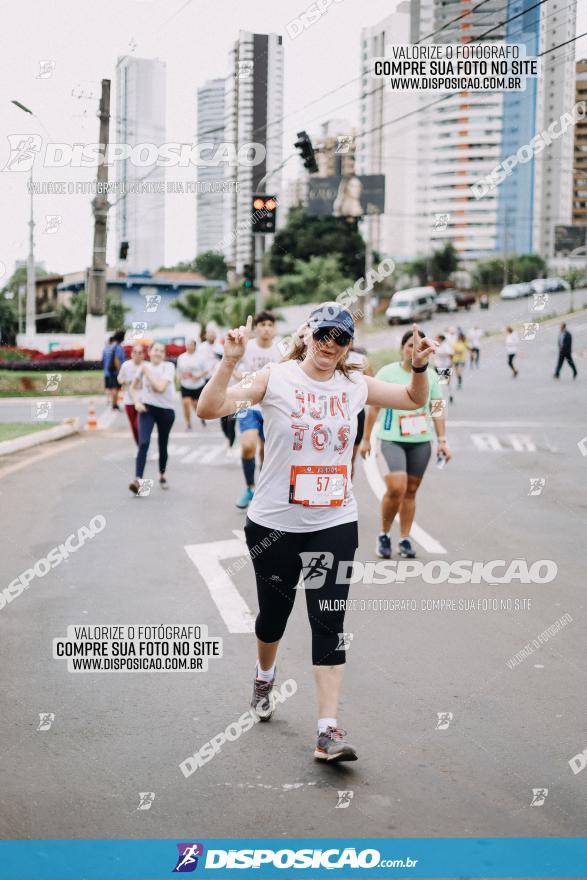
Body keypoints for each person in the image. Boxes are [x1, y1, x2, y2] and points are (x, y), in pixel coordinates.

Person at [197, 304, 437, 763]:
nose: (330, 344)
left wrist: (421, 367)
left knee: (329, 621)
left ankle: (328, 729)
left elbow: (412, 399)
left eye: (340, 337)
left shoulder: (355, 385)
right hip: (274, 524)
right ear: (307, 335)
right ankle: (264, 675)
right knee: (273, 617)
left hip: (333, 523)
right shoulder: (277, 378)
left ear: (349, 344)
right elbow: (212, 408)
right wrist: (229, 361)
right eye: (323, 334)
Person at [361, 329, 451, 561]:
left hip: (421, 441)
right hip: (391, 439)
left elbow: (437, 408)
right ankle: (383, 534)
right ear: (402, 348)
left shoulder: (430, 375)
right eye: (410, 345)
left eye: (419, 346)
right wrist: (365, 439)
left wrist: (442, 440)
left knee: (410, 492)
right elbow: (374, 409)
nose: (413, 350)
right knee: (397, 488)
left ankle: (404, 538)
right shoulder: (387, 373)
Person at [233, 311, 282, 510]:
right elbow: (232, 367)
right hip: (247, 403)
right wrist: (243, 378)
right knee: (247, 446)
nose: (266, 328)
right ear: (256, 328)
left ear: (274, 328)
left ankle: (262, 489)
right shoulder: (248, 346)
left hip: (271, 405)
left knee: (266, 452)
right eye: (262, 324)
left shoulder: (281, 347)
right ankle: (249, 487)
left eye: (270, 324)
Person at [128, 342, 176, 494]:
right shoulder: (144, 367)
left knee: (163, 443)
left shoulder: (168, 367)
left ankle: (162, 474)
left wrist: (146, 371)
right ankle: (137, 480)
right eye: (156, 350)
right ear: (149, 351)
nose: (158, 353)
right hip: (147, 408)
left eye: (162, 351)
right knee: (143, 443)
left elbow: (160, 388)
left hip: (166, 411)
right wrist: (136, 402)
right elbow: (132, 387)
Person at [347, 341, 373, 477]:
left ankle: (346, 495)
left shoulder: (360, 359)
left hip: (356, 414)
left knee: (350, 459)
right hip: (335, 412)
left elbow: (371, 384)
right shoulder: (327, 358)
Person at [176, 339, 210, 430]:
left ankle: (201, 417)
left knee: (196, 405)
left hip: (198, 385)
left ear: (195, 346)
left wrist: (198, 376)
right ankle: (188, 423)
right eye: (187, 345)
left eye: (191, 345)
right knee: (186, 404)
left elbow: (206, 371)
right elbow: (178, 371)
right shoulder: (181, 357)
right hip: (185, 385)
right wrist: (179, 377)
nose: (188, 347)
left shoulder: (200, 357)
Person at [117, 344, 145, 444]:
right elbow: (119, 379)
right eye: (135, 352)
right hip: (129, 399)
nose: (137, 355)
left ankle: (144, 445)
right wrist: (126, 382)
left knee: (139, 425)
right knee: (133, 426)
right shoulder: (126, 365)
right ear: (131, 354)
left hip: (142, 400)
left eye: (140, 353)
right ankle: (139, 446)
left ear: (143, 355)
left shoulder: (145, 366)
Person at [103, 330, 126, 410]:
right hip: (115, 371)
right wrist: (120, 371)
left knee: (113, 387)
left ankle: (114, 403)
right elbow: (116, 359)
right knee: (115, 388)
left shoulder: (111, 346)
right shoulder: (118, 347)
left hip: (109, 371)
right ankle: (114, 404)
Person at [434, 334, 454, 404]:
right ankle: (438, 397)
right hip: (437, 366)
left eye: (437, 338)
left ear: (441, 339)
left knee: (446, 382)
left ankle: (449, 395)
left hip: (445, 366)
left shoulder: (445, 346)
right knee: (437, 383)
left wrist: (451, 364)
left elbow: (451, 355)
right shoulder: (437, 345)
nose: (436, 339)